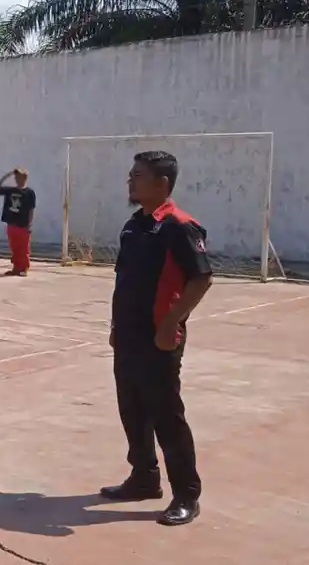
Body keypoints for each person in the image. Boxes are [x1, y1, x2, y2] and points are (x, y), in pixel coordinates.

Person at [103, 150, 212, 527]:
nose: (130, 182)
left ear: (161, 184)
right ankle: (144, 478)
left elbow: (201, 278)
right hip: (129, 336)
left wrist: (171, 324)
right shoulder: (134, 225)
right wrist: (116, 327)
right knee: (132, 409)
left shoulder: (178, 226)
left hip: (160, 339)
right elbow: (125, 281)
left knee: (166, 416)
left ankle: (187, 494)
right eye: (130, 174)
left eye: (137, 175)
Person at [0, 168, 37, 276]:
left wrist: (29, 224)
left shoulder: (30, 193)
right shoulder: (10, 190)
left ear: (25, 178)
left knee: (23, 248)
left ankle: (24, 268)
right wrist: (7, 175)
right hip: (11, 223)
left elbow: (31, 209)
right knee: (15, 248)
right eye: (16, 177)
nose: (17, 179)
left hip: (23, 224)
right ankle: (16, 268)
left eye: (19, 177)